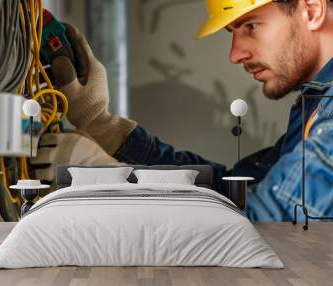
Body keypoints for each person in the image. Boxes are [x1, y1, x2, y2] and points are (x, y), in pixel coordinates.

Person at [32, 0, 333, 222]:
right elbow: (227, 189)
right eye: (232, 32)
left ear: (311, 10)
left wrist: (111, 182)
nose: (235, 54)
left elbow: (271, 232)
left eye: (250, 26)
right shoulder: (315, 105)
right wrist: (105, 128)